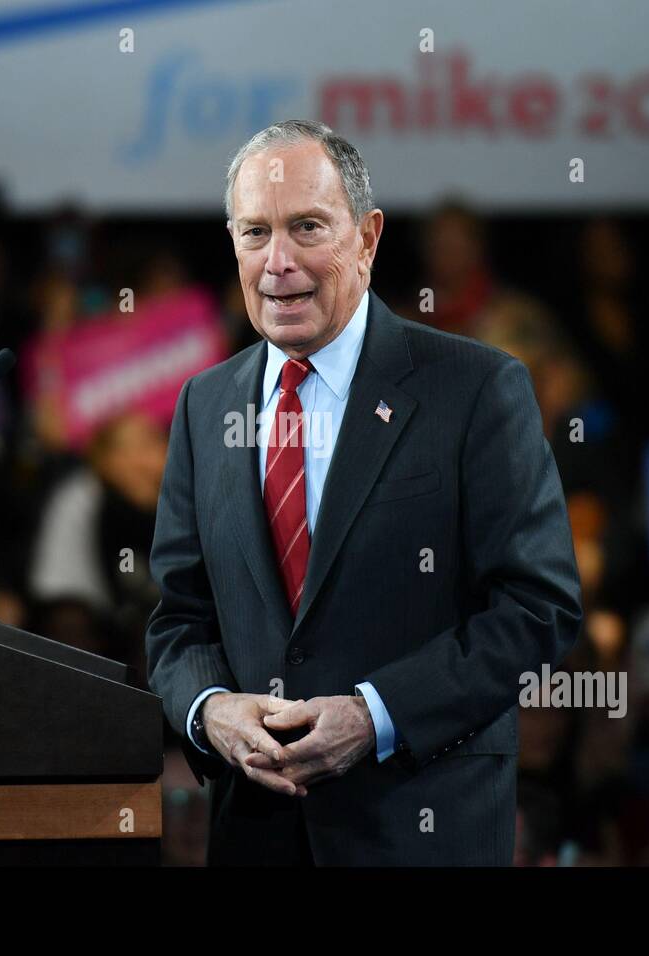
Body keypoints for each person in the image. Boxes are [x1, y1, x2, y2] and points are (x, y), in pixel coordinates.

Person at [144, 119, 582, 865]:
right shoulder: (203, 405)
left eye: (307, 227)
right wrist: (209, 710)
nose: (278, 263)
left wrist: (375, 715)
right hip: (258, 838)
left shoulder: (474, 389)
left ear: (368, 238)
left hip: (420, 827)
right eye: (255, 233)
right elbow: (179, 621)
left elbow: (537, 607)